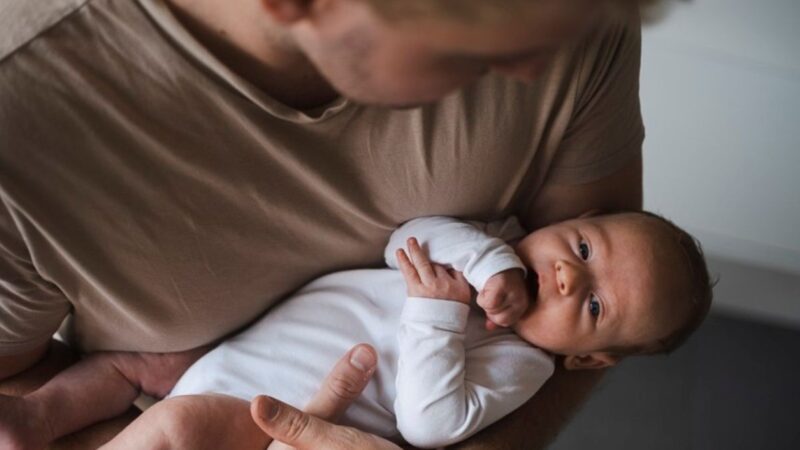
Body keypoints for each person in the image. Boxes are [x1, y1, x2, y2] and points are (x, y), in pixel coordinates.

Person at [0, 0, 659, 447]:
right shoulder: (23, 109)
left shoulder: (568, 24)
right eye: (470, 34)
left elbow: (610, 314)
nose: (532, 69)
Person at [0, 212, 712, 449]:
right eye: (583, 250)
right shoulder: (491, 238)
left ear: (588, 359)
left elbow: (430, 423)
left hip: (263, 420)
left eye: (591, 307)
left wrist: (438, 314)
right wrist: (486, 260)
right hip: (230, 351)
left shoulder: (523, 366)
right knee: (142, 356)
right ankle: (35, 416)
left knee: (178, 426)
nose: (565, 278)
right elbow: (406, 236)